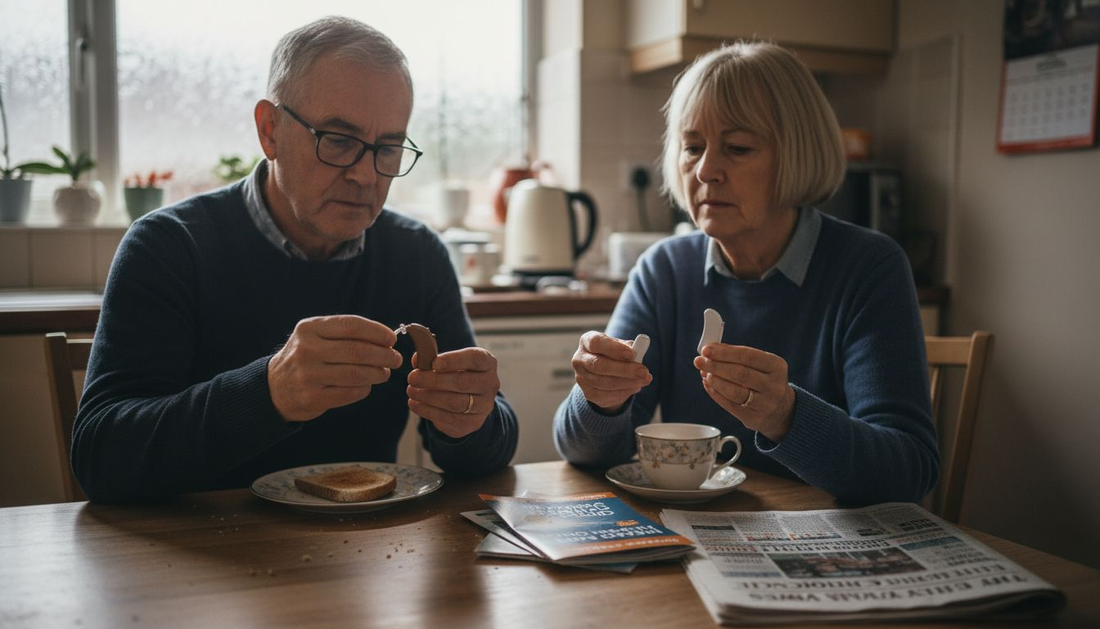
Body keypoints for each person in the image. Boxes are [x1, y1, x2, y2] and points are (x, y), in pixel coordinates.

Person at [72, 17, 517, 502]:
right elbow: (101, 457)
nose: (366, 176)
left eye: (387, 149)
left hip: (366, 559)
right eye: (339, 141)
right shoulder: (169, 248)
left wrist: (470, 419)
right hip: (197, 558)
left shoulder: (416, 255)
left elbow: (486, 454)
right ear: (270, 132)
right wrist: (269, 394)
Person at [553, 42, 938, 504]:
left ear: (796, 155)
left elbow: (910, 470)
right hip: (699, 543)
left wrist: (785, 415)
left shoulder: (868, 267)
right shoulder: (666, 269)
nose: (706, 170)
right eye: (692, 147)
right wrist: (600, 400)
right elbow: (583, 453)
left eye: (737, 148)